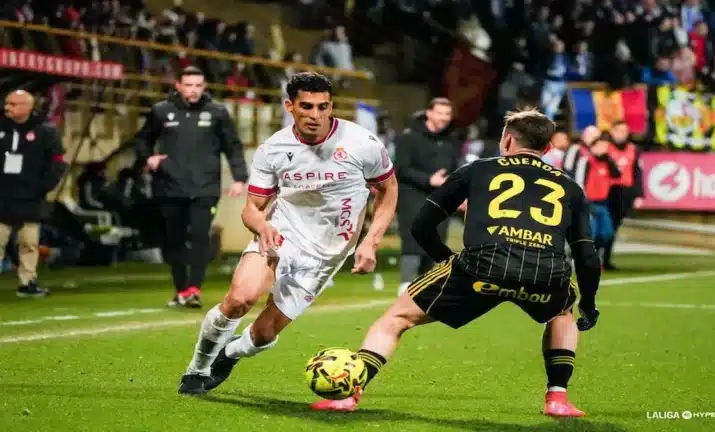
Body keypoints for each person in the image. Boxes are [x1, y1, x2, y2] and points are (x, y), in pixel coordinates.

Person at [311, 108, 602, 417]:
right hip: (546, 271)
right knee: (562, 311)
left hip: (481, 267)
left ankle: (349, 394)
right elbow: (586, 253)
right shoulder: (571, 188)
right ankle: (557, 397)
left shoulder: (477, 170)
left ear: (506, 142)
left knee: (396, 319)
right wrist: (591, 302)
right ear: (547, 149)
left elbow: (422, 225)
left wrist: (447, 261)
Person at [177, 72, 398, 395]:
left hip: (327, 255)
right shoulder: (274, 149)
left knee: (264, 334)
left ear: (331, 106)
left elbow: (388, 190)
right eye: (306, 106)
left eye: (323, 107)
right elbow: (252, 207)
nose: (315, 115)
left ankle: (228, 355)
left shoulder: (361, 143)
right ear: (289, 106)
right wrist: (263, 225)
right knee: (240, 300)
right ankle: (196, 369)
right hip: (282, 235)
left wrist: (371, 240)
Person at [134, 66, 249, 308]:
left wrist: (240, 178)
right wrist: (148, 158)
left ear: (204, 87)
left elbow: (233, 146)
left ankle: (194, 289)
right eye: (189, 85)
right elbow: (143, 139)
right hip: (169, 186)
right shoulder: (161, 111)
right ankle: (181, 289)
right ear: (178, 85)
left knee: (200, 237)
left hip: (205, 187)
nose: (194, 90)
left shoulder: (217, 112)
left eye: (198, 85)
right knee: (173, 240)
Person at [0, 89, 67, 297]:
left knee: (29, 242)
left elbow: (57, 163)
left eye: (13, 104)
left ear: (28, 107)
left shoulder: (46, 131)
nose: (7, 108)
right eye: (7, 103)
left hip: (30, 197)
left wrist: (41, 187)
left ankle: (27, 282)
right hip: (1, 195)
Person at [393, 98, 462, 296]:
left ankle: (428, 287)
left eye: (447, 114)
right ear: (429, 113)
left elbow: (457, 169)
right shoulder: (407, 138)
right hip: (412, 196)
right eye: (440, 113)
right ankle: (405, 285)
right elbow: (401, 169)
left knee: (436, 241)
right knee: (413, 240)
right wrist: (428, 179)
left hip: (441, 199)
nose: (443, 118)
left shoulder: (452, 141)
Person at [603, 120, 643, 270]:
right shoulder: (605, 148)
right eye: (619, 131)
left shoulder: (633, 149)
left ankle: (606, 259)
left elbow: (637, 172)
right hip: (607, 190)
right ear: (612, 132)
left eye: (625, 131)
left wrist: (638, 195)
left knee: (614, 226)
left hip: (624, 192)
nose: (622, 134)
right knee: (603, 227)